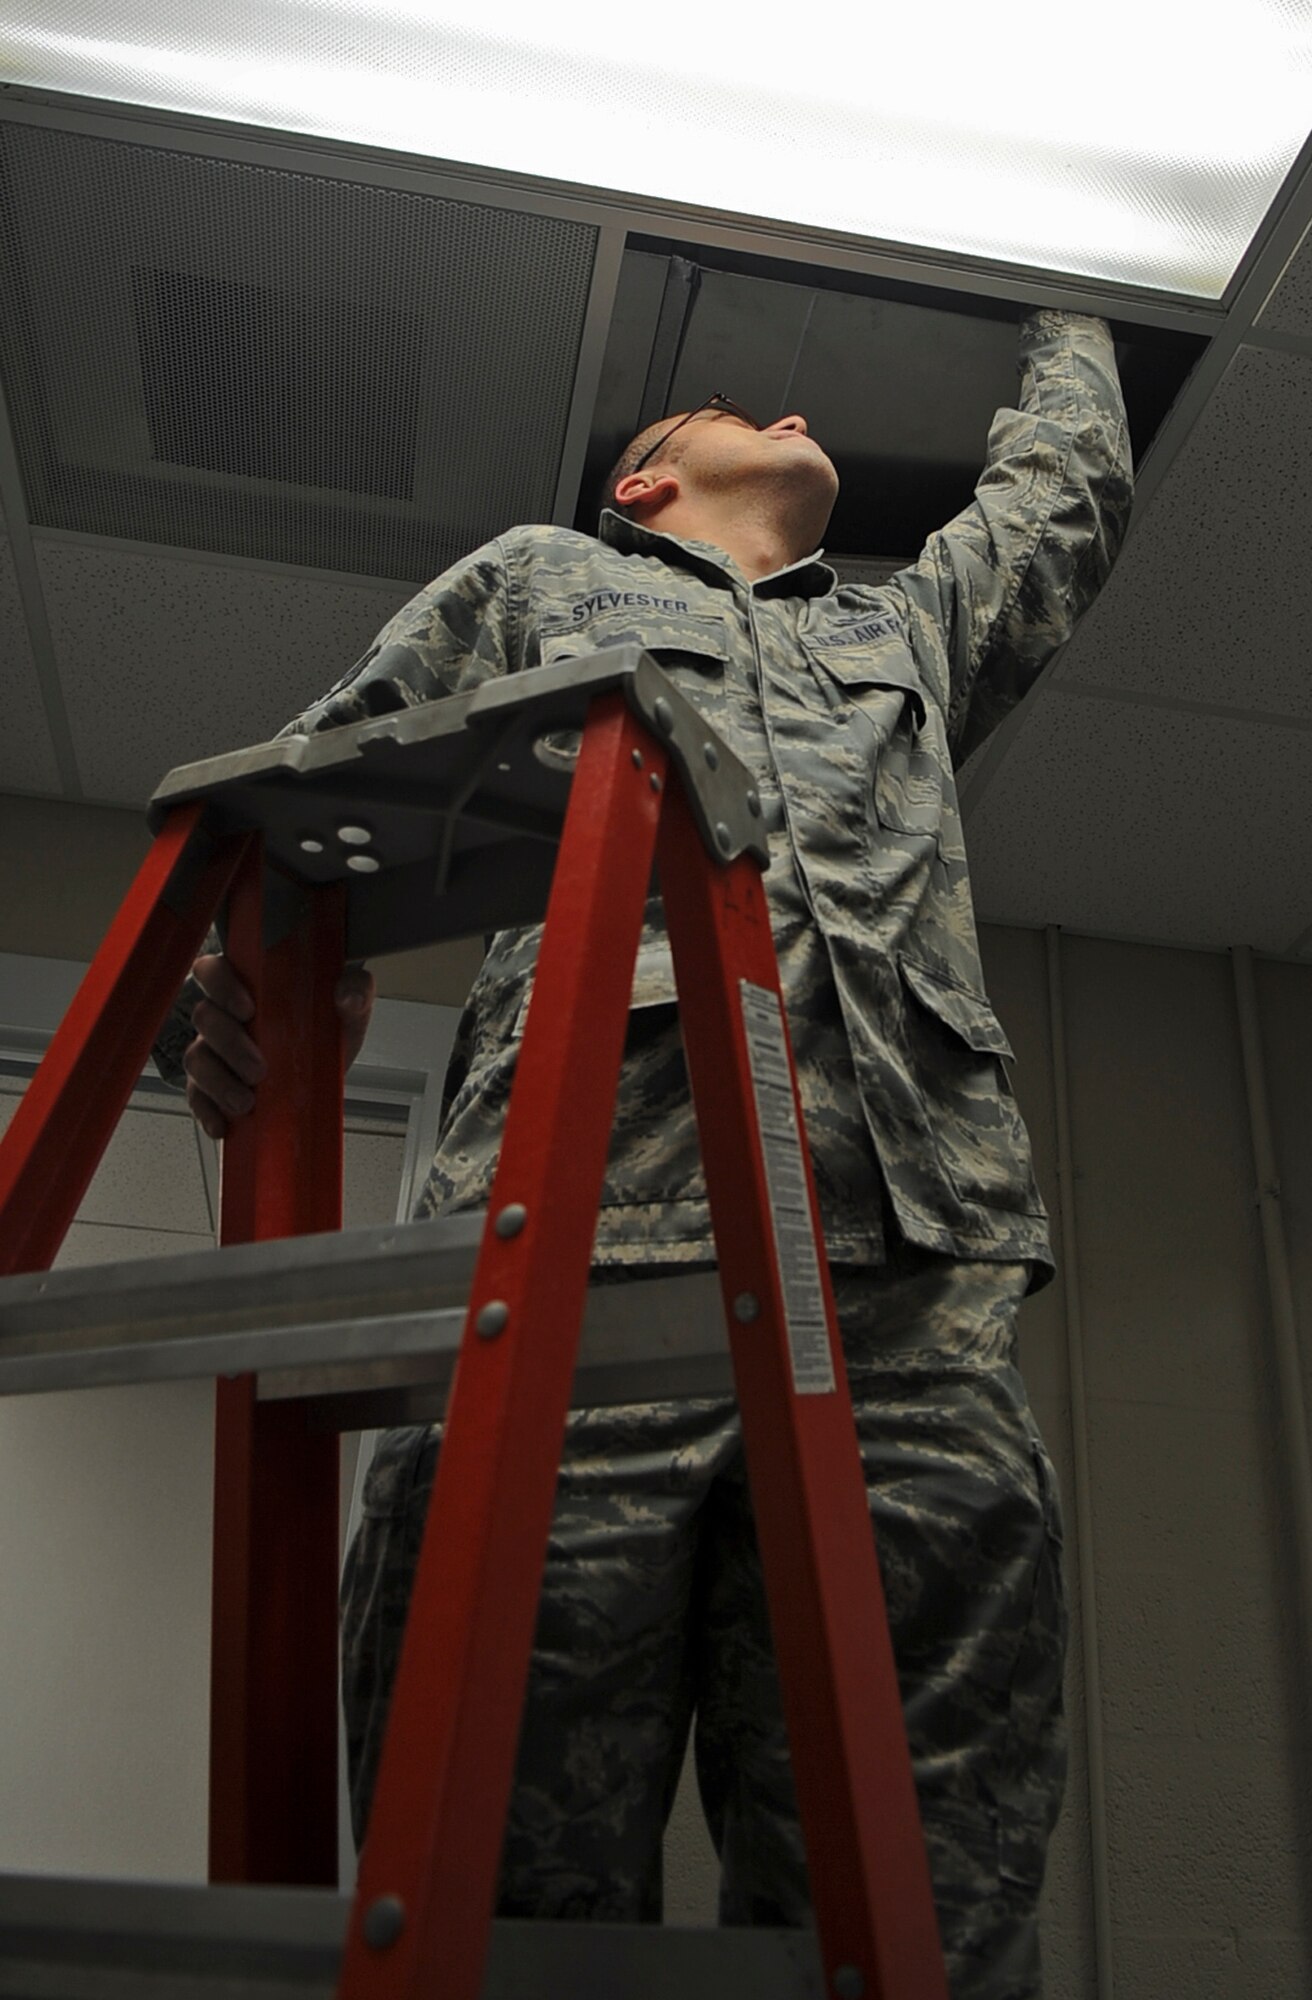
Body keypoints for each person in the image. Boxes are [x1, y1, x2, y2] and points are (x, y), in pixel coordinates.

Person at [173, 309, 1132, 1998]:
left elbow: (1057, 498)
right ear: (647, 480)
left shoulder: (902, 632)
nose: (789, 407)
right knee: (503, 1893)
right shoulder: (543, 580)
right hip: (576, 1285)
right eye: (729, 405)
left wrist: (1066, 311)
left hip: (896, 1316)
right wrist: (228, 1005)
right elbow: (307, 809)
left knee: (921, 1906)